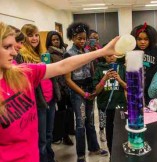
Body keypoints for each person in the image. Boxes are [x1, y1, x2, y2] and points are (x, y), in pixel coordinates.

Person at [0, 21, 119, 162]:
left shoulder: (23, 72)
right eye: (7, 47)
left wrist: (102, 51)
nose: (14, 51)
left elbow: (63, 66)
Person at [64, 22, 108, 162]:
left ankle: (94, 148)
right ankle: (81, 154)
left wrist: (95, 87)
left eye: (84, 38)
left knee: (90, 121)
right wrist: (82, 93)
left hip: (89, 88)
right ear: (72, 38)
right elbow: (68, 80)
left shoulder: (88, 52)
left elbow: (92, 71)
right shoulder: (68, 54)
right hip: (77, 90)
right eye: (79, 38)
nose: (82, 41)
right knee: (80, 122)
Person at [18, 24, 61, 162]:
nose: (34, 38)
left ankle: (50, 158)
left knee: (49, 134)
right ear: (24, 37)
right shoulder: (21, 57)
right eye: (30, 35)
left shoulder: (43, 53)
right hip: (38, 103)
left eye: (36, 35)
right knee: (41, 138)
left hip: (50, 98)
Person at [93, 55, 126, 154]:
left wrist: (119, 80)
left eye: (113, 55)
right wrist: (105, 78)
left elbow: (130, 87)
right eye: (108, 55)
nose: (111, 57)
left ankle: (121, 155)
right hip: (104, 106)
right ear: (104, 55)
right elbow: (96, 91)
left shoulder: (122, 68)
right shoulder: (99, 69)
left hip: (120, 106)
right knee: (109, 133)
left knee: (121, 132)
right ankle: (111, 154)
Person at [45, 31, 74, 145]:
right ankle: (64, 135)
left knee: (69, 111)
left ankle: (70, 130)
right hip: (59, 88)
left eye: (57, 39)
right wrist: (59, 87)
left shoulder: (65, 51)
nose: (56, 41)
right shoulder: (48, 54)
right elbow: (51, 73)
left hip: (69, 85)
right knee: (61, 113)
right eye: (53, 40)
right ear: (49, 41)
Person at [131, 22, 157, 105]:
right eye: (139, 39)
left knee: (153, 112)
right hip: (136, 88)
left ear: (151, 39)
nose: (142, 42)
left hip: (153, 88)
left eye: (146, 39)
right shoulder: (131, 50)